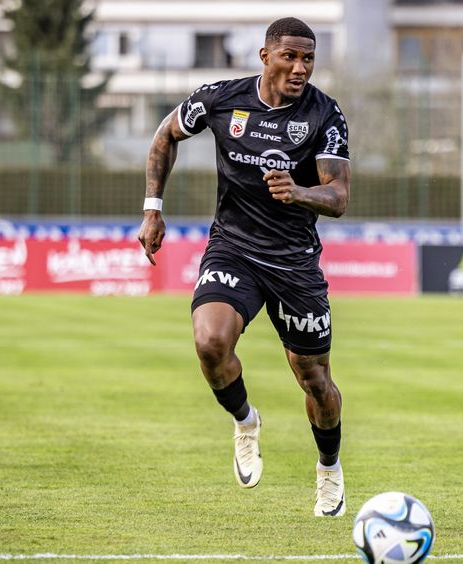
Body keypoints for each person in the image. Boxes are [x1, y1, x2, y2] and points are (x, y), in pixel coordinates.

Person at [137, 17, 351, 517]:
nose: (300, 68)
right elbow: (165, 135)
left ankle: (329, 469)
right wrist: (152, 209)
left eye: (308, 59)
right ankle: (245, 420)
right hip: (233, 248)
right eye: (290, 57)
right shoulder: (221, 99)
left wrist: (298, 192)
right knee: (210, 342)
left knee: (315, 379)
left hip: (294, 264)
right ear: (265, 56)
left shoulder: (324, 114)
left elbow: (339, 197)